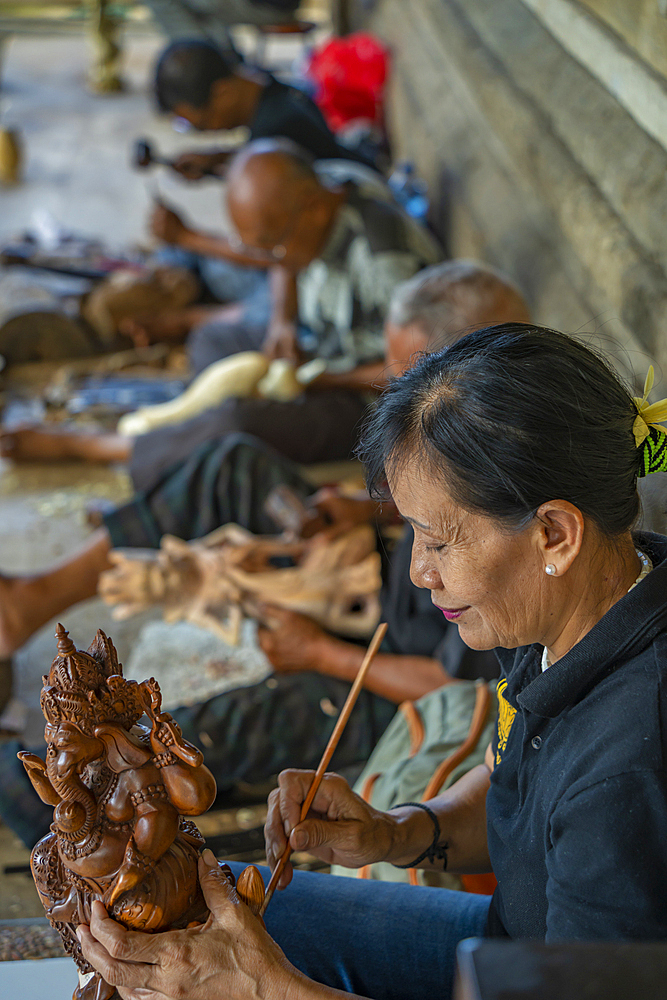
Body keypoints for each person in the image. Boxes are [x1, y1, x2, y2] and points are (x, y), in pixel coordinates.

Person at [77, 324, 667, 1000]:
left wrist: (265, 990)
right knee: (198, 915)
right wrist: (394, 832)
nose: (417, 572)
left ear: (552, 534)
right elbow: (516, 792)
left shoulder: (624, 776)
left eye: (438, 542)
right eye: (412, 535)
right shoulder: (569, 609)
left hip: (530, 980)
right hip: (511, 947)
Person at [0, 261, 530, 653]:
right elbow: (424, 516)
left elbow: (453, 688)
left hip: (393, 649)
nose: (393, 389)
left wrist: (320, 656)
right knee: (231, 465)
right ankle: (37, 596)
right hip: (372, 568)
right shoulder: (459, 437)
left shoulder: (516, 520)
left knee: (189, 734)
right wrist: (363, 510)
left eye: (405, 377)